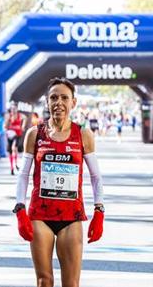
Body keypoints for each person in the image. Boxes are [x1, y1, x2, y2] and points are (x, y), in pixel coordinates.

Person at [13, 77, 105, 287]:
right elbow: (24, 175)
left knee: (71, 283)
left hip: (71, 217)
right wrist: (19, 208)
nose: (59, 103)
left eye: (65, 97)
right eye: (54, 97)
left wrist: (99, 210)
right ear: (47, 102)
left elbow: (96, 176)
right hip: (39, 216)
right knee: (44, 281)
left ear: (73, 102)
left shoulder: (83, 134)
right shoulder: (35, 134)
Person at [5, 103, 27, 175]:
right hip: (10, 134)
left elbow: (25, 118)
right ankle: (12, 167)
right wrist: (6, 128)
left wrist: (23, 126)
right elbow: (5, 125)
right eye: (12, 109)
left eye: (15, 109)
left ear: (17, 109)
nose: (13, 110)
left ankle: (16, 163)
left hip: (17, 134)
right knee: (10, 151)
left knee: (14, 148)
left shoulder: (20, 115)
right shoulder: (9, 116)